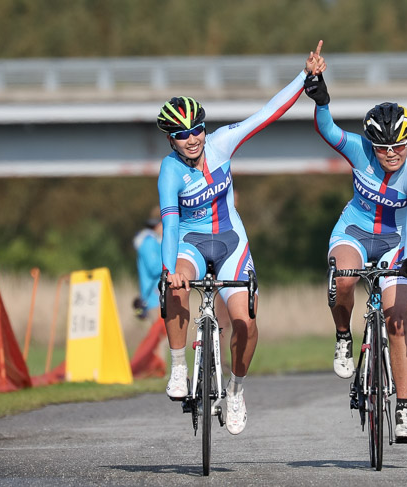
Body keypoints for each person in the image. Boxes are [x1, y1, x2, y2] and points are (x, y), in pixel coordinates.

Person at [156, 41, 327, 435]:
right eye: (182, 134)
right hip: (190, 245)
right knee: (174, 286)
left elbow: (267, 113)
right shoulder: (169, 172)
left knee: (246, 323)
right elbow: (169, 224)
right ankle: (179, 367)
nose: (193, 139)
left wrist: (306, 77)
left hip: (231, 243)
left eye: (196, 130)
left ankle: (235, 390)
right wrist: (170, 270)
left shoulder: (221, 143)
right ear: (171, 140)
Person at [304, 67, 407, 443]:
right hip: (354, 230)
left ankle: (404, 408)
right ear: (372, 145)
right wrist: (321, 99)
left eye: (399, 146)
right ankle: (344, 335)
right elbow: (327, 131)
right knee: (344, 278)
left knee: (397, 321)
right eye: (383, 148)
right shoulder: (359, 151)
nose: (392, 154)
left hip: (397, 241)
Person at [130, 208, 167, 378]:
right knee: (158, 335)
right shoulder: (149, 242)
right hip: (153, 296)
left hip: (156, 294)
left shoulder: (152, 241)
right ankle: (157, 369)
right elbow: (154, 268)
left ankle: (157, 369)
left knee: (159, 334)